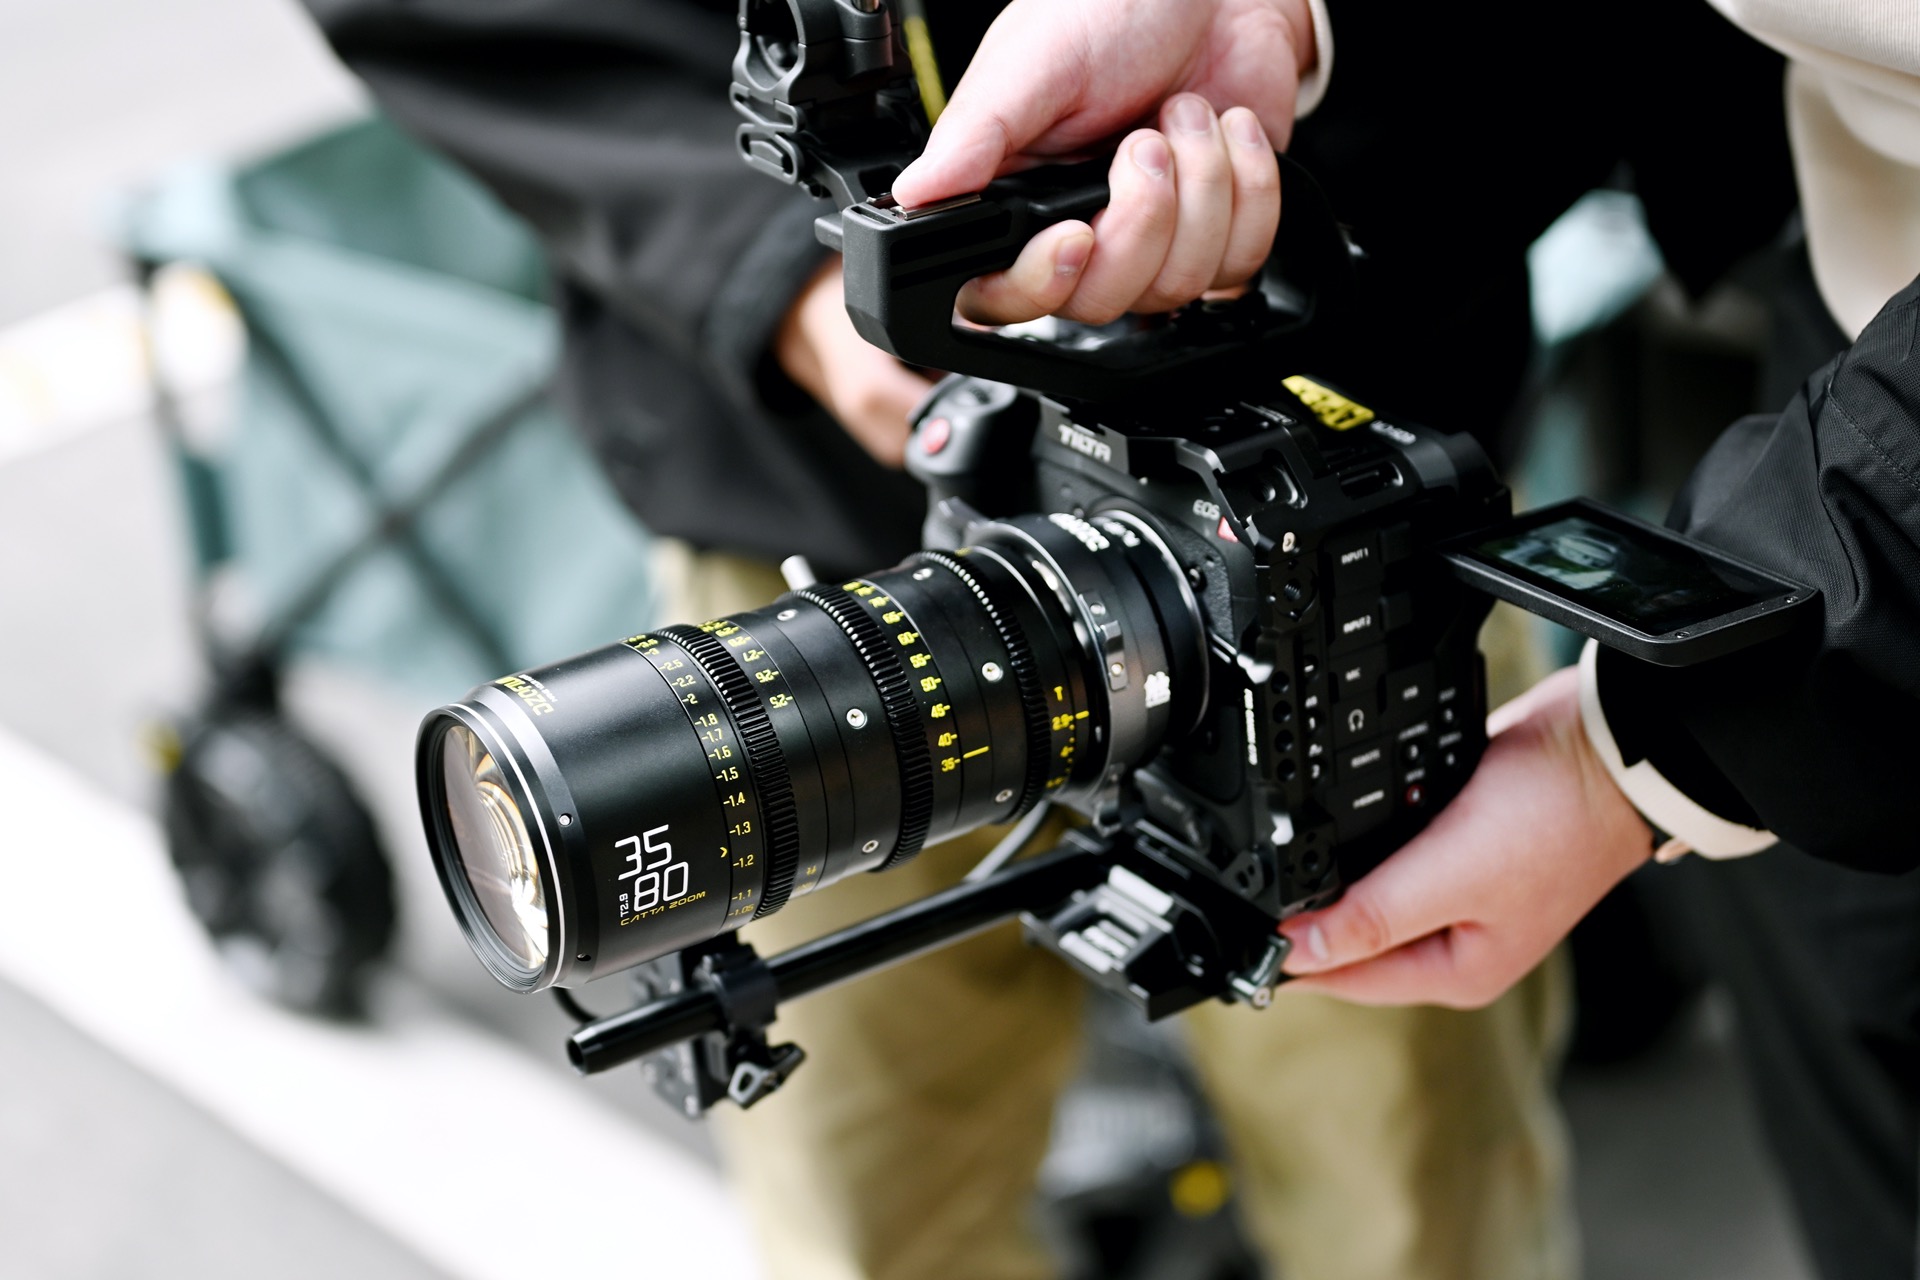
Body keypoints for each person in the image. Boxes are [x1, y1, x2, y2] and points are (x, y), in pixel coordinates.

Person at [290, 4, 1663, 1278]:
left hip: (1344, 535)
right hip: (811, 537)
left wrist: (1292, 31)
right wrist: (785, 272)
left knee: (1414, 1209)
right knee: (882, 1222)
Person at [893, 0, 1920, 1274]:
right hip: (1852, 297)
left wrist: (1629, 763)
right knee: (1850, 1035)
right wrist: (1288, 17)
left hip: (1884, 458)